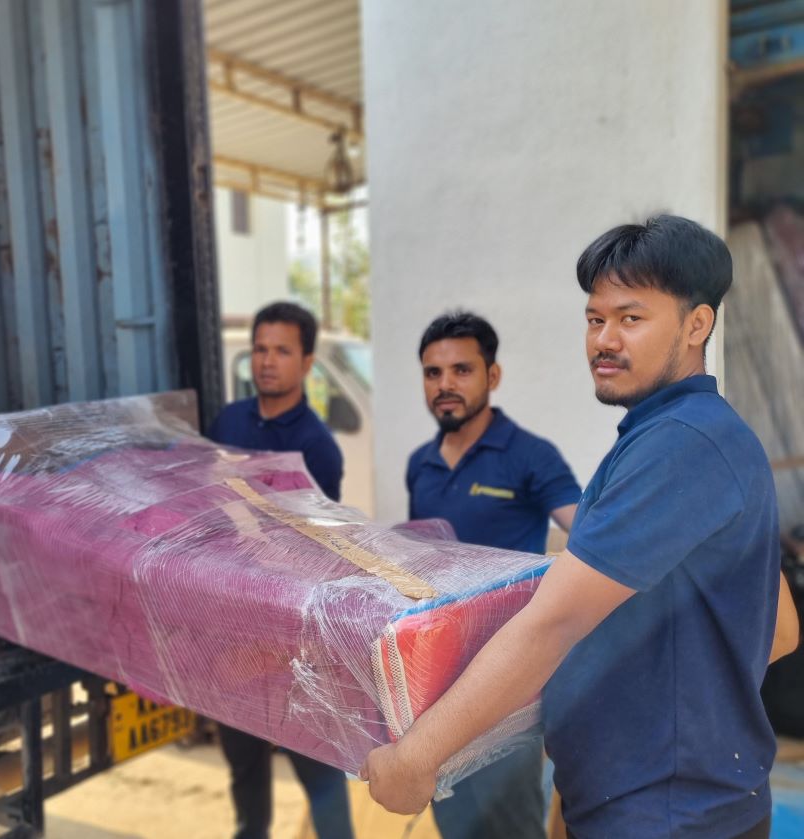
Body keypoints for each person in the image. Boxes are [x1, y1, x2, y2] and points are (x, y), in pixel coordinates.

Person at [361, 215, 801, 839]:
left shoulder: (680, 443)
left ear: (697, 323)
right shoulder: (690, 435)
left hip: (666, 816)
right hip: (657, 800)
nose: (604, 340)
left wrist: (414, 757)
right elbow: (778, 628)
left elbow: (555, 621)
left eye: (631, 318)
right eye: (595, 320)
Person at [407, 311, 581, 839]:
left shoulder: (530, 456)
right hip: (435, 684)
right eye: (433, 374)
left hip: (510, 682)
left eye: (461, 370)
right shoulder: (420, 462)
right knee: (454, 821)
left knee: (511, 827)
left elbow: (592, 537)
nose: (445, 386)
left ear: (492, 376)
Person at [208, 301, 353, 839]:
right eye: (261, 350)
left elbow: (313, 549)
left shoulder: (316, 446)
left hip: (290, 633)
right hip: (229, 623)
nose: (268, 362)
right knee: (244, 765)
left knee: (318, 764)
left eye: (282, 351)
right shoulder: (227, 422)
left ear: (308, 362)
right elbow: (207, 511)